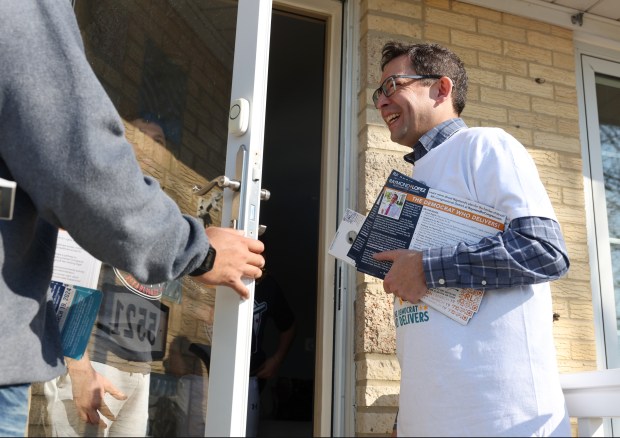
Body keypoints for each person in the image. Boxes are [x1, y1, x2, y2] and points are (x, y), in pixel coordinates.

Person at [0, 2, 264, 436]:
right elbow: (77, 216)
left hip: (142, 367)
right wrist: (79, 366)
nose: (156, 149)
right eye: (143, 137)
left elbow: (172, 296)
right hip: (95, 364)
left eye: (163, 141)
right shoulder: (103, 207)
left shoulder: (157, 208)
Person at [371, 41, 571, 436]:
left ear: (442, 89)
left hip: (501, 420)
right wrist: (405, 416)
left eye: (393, 85)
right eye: (379, 93)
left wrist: (427, 267)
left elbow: (545, 250)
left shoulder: (486, 145)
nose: (382, 101)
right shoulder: (415, 181)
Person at [246, 270, 296, 437]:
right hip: (205, 376)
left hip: (251, 378)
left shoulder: (268, 286)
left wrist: (276, 359)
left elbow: (288, 326)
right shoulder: (220, 270)